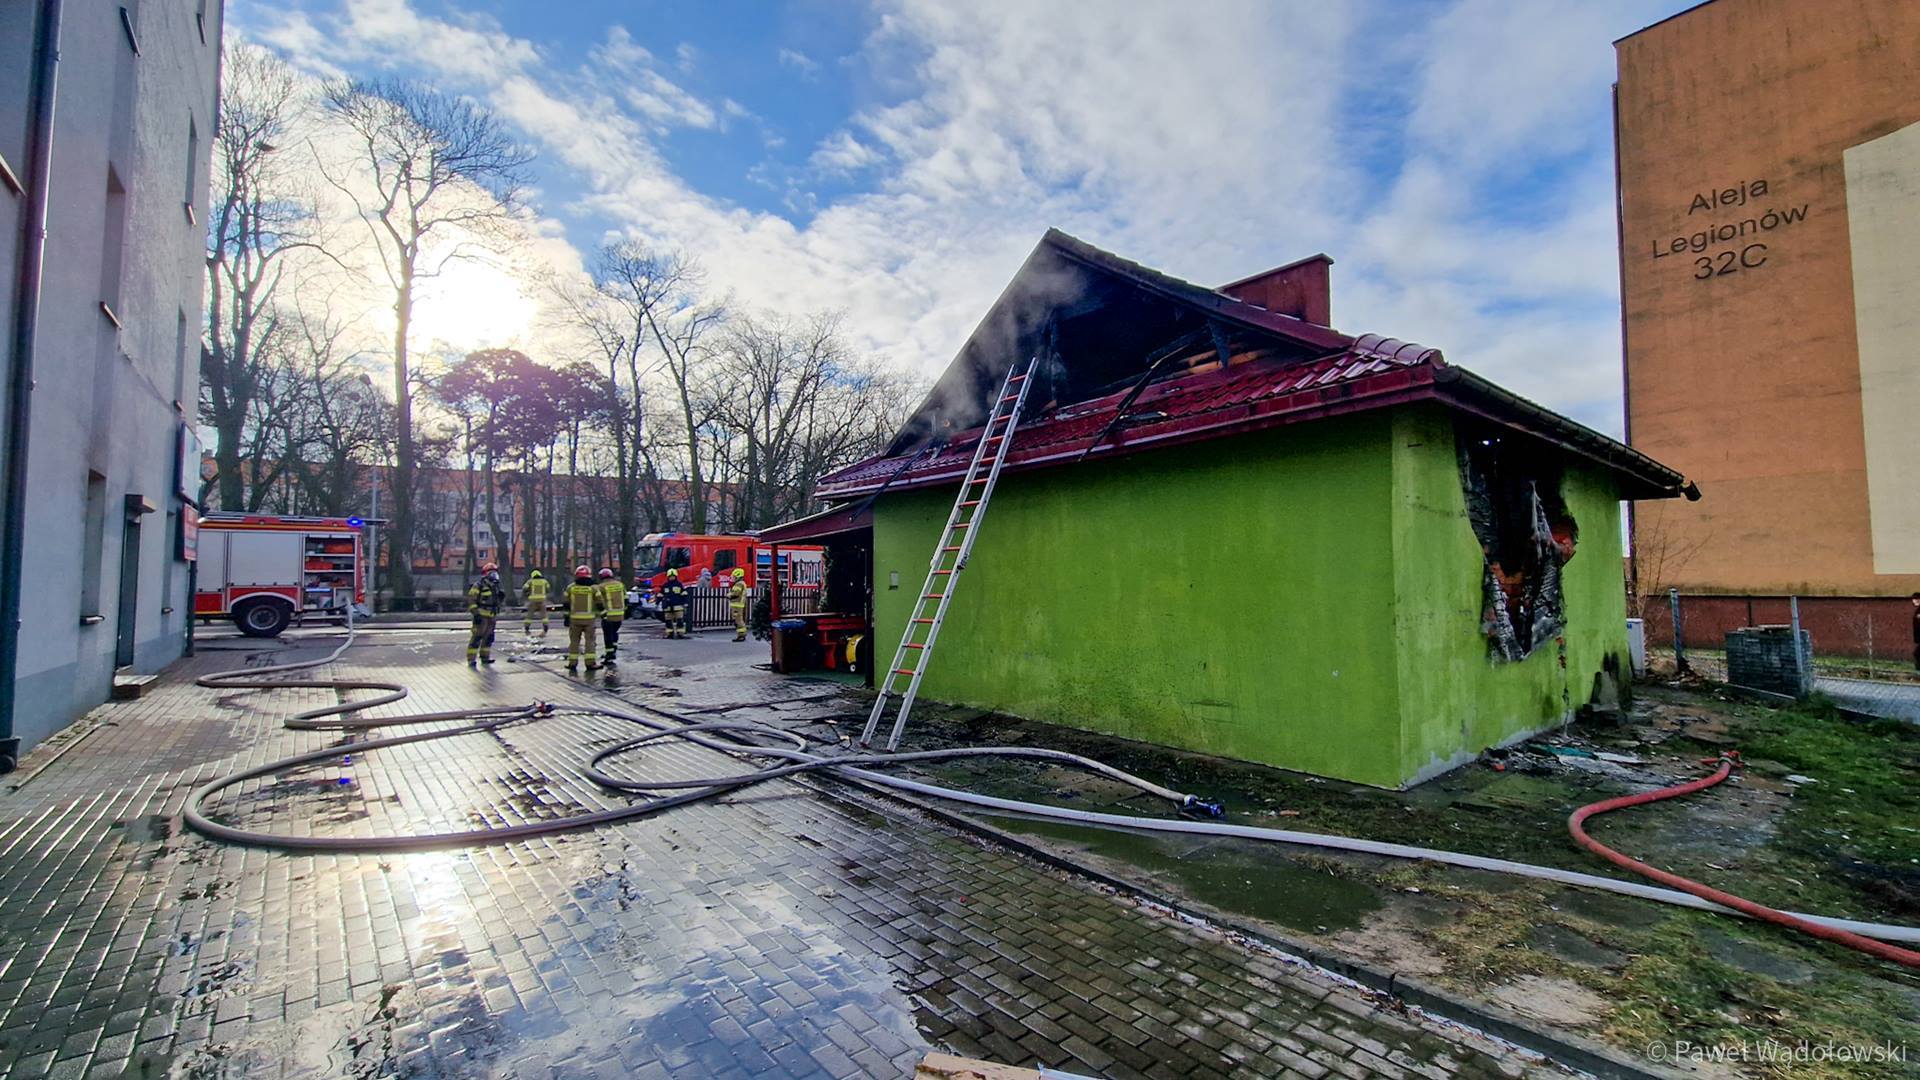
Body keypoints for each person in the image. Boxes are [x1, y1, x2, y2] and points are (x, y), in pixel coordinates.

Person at [563, 565, 605, 672]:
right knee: (590, 642)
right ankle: (590, 664)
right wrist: (603, 615)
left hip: (574, 619)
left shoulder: (570, 588)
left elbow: (566, 604)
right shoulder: (593, 588)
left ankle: (572, 663)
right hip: (589, 620)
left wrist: (566, 618)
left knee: (574, 642)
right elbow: (600, 603)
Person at [466, 562, 503, 666]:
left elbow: (495, 601)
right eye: (491, 572)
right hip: (481, 615)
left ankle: (485, 657)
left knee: (489, 638)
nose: (494, 574)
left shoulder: (495, 586)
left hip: (492, 615)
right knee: (477, 637)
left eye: (495, 572)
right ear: (486, 573)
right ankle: (471, 659)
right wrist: (476, 614)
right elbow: (471, 600)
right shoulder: (478, 585)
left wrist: (500, 599)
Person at [598, 568, 626, 665]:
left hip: (608, 615)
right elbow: (625, 598)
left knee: (608, 635)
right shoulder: (620, 585)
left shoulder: (601, 587)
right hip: (619, 614)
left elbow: (598, 601)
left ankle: (609, 655)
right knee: (614, 633)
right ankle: (613, 651)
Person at [660, 568, 688, 639]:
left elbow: (684, 594)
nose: (671, 578)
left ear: (676, 576)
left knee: (680, 621)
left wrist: (685, 602)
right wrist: (658, 601)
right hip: (668, 607)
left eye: (673, 576)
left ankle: (680, 634)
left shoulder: (679, 585)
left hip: (678, 606)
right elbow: (660, 594)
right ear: (668, 577)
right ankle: (669, 634)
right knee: (668, 621)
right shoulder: (665, 585)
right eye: (670, 576)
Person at [521, 569, 550, 634]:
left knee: (530, 614)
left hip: (533, 600)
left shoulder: (530, 581)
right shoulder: (544, 581)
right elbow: (548, 588)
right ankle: (545, 627)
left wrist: (527, 593)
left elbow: (524, 588)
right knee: (544, 614)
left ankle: (527, 627)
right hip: (542, 600)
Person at [728, 566, 748, 642]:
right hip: (738, 605)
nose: (732, 578)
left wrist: (729, 595)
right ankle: (741, 635)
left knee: (738, 621)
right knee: (738, 620)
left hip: (737, 605)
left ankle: (741, 635)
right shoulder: (741, 583)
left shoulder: (738, 584)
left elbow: (735, 593)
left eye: (734, 576)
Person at [1911, 592, 1919, 673]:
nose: (1915, 601)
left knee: (1917, 653)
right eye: (1914, 599)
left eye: (1917, 599)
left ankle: (1918, 671)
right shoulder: (1917, 611)